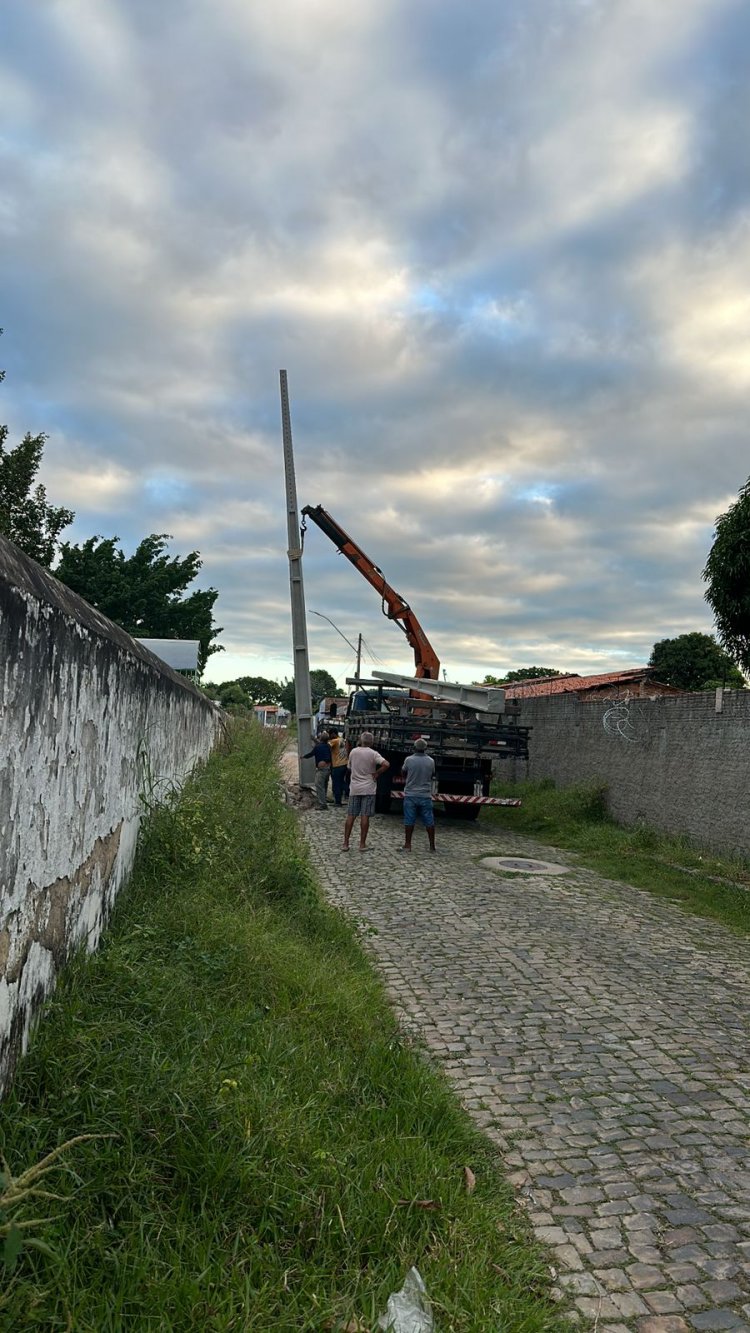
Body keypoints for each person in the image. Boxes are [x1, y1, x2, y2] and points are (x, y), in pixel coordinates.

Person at [343, 731, 389, 851]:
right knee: (365, 816)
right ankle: (362, 844)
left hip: (355, 788)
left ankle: (345, 843)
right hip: (368, 788)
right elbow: (386, 764)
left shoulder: (353, 752)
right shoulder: (374, 754)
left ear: (360, 740)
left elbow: (349, 767)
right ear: (372, 742)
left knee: (351, 816)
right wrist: (377, 773)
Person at [400, 737, 436, 851]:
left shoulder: (409, 760)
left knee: (409, 820)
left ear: (414, 748)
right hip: (425, 794)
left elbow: (403, 772)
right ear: (426, 749)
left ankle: (408, 844)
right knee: (429, 821)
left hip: (411, 794)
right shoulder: (431, 761)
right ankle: (432, 846)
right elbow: (432, 774)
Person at [303, 731, 332, 811]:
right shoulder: (328, 746)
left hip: (322, 770)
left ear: (320, 738)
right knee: (324, 786)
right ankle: (324, 801)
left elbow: (311, 754)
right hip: (328, 769)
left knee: (319, 785)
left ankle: (322, 804)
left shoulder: (318, 747)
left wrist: (303, 757)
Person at [328, 727, 348, 807]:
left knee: (337, 784)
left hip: (337, 765)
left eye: (330, 734)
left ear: (333, 734)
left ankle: (338, 802)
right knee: (342, 782)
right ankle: (348, 792)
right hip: (344, 764)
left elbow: (326, 746)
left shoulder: (334, 741)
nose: (330, 736)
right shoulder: (342, 739)